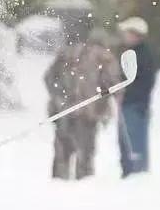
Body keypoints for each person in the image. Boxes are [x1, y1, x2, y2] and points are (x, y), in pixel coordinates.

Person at [44, 30, 121, 180]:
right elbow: (113, 83)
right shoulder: (104, 56)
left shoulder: (67, 53)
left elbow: (49, 77)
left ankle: (59, 183)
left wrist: (59, 96)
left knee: (62, 151)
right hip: (88, 111)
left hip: (65, 110)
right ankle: (83, 185)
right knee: (85, 152)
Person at [117, 17, 157, 177]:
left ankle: (136, 175)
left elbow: (144, 83)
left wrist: (126, 93)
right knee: (126, 143)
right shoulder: (132, 53)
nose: (124, 36)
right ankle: (130, 173)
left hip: (135, 106)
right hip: (130, 105)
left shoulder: (141, 55)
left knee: (134, 145)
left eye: (127, 33)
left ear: (136, 34)